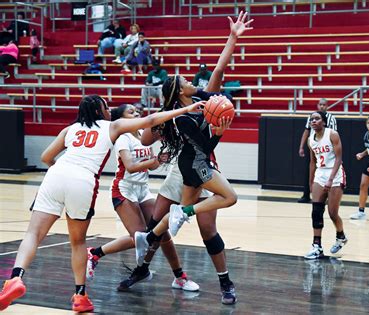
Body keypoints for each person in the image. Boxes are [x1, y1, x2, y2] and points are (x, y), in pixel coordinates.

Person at [0, 95, 203, 312]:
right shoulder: (112, 126)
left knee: (33, 234)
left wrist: (58, 173)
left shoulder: (70, 129)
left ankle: (15, 278)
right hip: (84, 179)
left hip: (57, 174)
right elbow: (151, 120)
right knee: (77, 242)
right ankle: (79, 296)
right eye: (106, 106)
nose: (110, 109)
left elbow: (46, 157)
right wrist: (186, 109)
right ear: (99, 111)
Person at [133, 12, 253, 305]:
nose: (190, 79)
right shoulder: (178, 117)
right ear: (178, 93)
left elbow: (219, 71)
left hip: (199, 163)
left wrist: (233, 38)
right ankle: (143, 266)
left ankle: (225, 282)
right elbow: (148, 139)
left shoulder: (203, 101)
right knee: (160, 218)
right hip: (187, 164)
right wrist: (153, 119)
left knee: (206, 230)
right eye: (185, 80)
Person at [85, 104, 199, 292]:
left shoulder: (141, 136)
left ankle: (179, 277)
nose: (136, 113)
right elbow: (129, 166)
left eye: (137, 111)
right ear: (120, 119)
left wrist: (160, 160)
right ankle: (95, 253)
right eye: (131, 112)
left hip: (143, 190)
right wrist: (154, 161)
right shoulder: (123, 137)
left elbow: (149, 167)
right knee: (140, 238)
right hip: (124, 189)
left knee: (162, 233)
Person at [304, 111, 348, 260]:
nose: (313, 121)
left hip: (335, 174)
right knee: (316, 211)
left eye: (317, 119)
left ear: (323, 121)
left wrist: (330, 179)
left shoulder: (332, 134)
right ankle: (317, 246)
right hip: (320, 174)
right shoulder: (310, 140)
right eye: (311, 119)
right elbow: (312, 162)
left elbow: (339, 158)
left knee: (332, 213)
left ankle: (341, 236)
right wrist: (311, 182)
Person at [298, 98, 337, 203]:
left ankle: (328, 195)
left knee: (326, 170)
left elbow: (334, 135)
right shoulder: (311, 117)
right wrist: (301, 146)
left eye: (324, 105)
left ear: (327, 106)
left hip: (326, 149)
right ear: (317, 105)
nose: (322, 106)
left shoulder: (331, 118)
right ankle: (306, 194)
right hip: (313, 147)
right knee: (310, 169)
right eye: (320, 104)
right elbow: (306, 131)